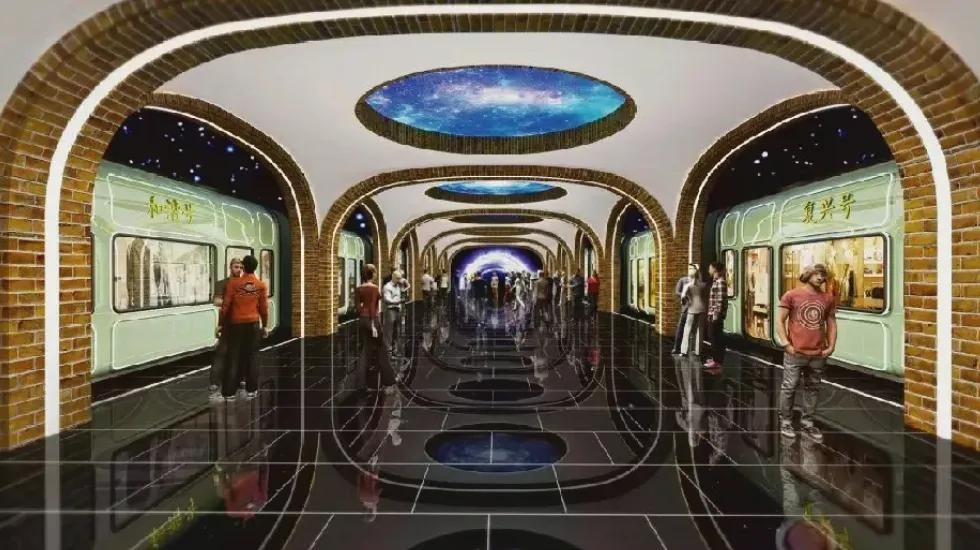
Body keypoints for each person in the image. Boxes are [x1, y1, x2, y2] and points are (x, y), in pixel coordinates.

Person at [775, 264, 837, 441]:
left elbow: (831, 323)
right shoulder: (791, 295)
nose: (820, 277)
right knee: (789, 387)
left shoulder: (828, 298)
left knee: (813, 388)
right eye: (817, 274)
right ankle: (786, 421)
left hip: (818, 354)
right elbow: (779, 320)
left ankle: (807, 423)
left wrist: (831, 346)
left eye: (823, 275)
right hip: (795, 352)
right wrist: (786, 344)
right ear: (808, 275)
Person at [218, 255, 269, 400]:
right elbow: (264, 309)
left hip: (236, 324)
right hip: (253, 324)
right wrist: (265, 325)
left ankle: (229, 392)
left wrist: (220, 324)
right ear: (255, 267)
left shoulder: (234, 284)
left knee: (233, 356)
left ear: (244, 267)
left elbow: (225, 306)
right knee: (252, 356)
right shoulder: (260, 285)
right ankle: (251, 390)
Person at [354, 264, 395, 392]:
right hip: (373, 320)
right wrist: (373, 325)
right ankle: (389, 380)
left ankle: (360, 384)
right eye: (375, 272)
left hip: (362, 320)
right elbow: (373, 306)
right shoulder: (374, 288)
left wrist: (363, 315)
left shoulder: (359, 288)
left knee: (365, 351)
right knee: (382, 350)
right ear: (372, 274)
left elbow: (358, 307)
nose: (376, 274)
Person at [210, 257, 242, 399]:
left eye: (240, 267)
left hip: (241, 322)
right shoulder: (222, 283)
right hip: (227, 322)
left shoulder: (245, 284)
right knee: (222, 352)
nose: (238, 269)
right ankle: (214, 381)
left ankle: (240, 378)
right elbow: (216, 301)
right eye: (236, 267)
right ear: (230, 267)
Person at [703, 262, 728, 369]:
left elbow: (720, 300)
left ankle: (717, 361)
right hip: (712, 314)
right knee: (713, 337)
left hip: (715, 315)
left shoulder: (720, 282)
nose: (709, 270)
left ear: (715, 269)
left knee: (715, 338)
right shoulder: (716, 281)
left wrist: (716, 315)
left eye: (710, 268)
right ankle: (715, 359)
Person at [680, 266, 708, 356]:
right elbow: (706, 297)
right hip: (702, 308)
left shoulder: (687, 286)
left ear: (690, 276)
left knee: (687, 329)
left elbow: (683, 298)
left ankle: (684, 351)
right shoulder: (704, 285)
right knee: (700, 329)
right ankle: (698, 351)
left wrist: (687, 302)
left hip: (691, 308)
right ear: (698, 275)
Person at [671, 264, 698, 355]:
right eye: (690, 268)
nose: (691, 270)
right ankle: (677, 348)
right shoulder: (683, 280)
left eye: (693, 268)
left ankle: (694, 349)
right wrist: (685, 295)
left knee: (695, 329)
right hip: (686, 307)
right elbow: (677, 291)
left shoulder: (699, 281)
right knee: (681, 327)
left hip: (697, 307)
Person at [383, 270, 405, 355]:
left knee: (397, 330)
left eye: (400, 278)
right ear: (393, 277)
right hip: (390, 310)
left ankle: (394, 349)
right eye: (398, 278)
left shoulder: (398, 286)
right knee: (389, 331)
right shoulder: (387, 287)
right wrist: (398, 301)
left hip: (397, 310)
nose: (400, 280)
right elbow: (387, 300)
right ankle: (388, 350)